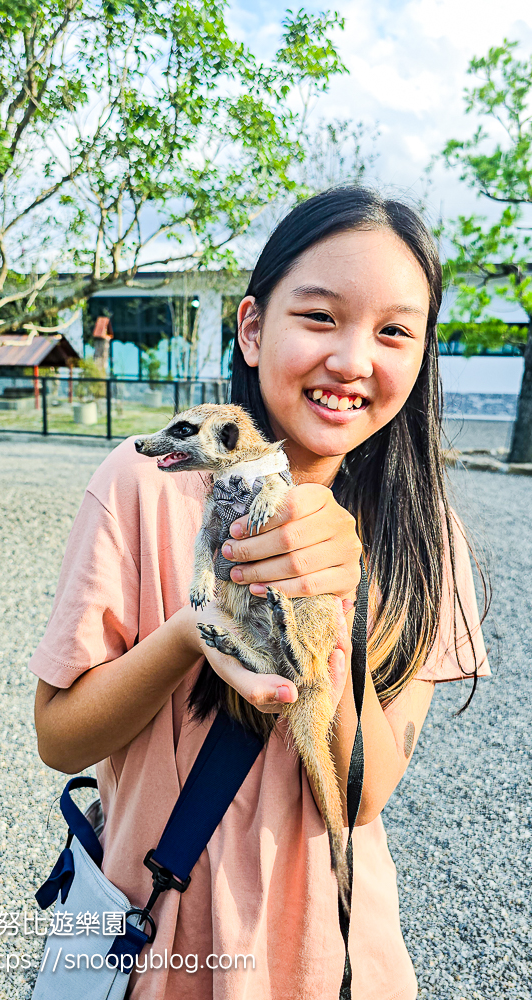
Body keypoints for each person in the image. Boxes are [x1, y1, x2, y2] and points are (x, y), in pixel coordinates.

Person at [31, 187, 490, 1000]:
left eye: (393, 331)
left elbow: (362, 793)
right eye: (318, 316)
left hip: (325, 954)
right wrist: (190, 635)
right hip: (152, 939)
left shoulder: (426, 538)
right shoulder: (144, 484)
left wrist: (328, 612)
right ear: (251, 327)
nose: (352, 359)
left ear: (420, 357)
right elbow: (61, 739)